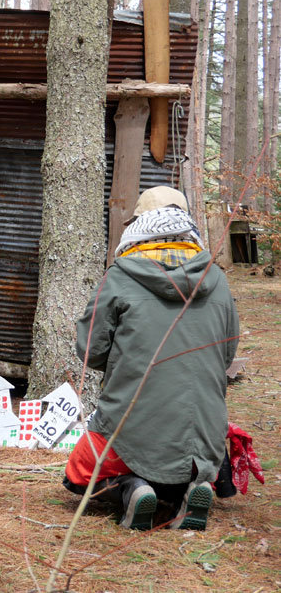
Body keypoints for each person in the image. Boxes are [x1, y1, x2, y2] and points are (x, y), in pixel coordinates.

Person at [63, 187, 239, 531]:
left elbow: (91, 352)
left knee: (78, 474)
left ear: (139, 225)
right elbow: (227, 354)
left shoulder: (119, 276)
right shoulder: (216, 279)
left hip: (128, 430)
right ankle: (192, 490)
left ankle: (132, 490)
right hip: (204, 437)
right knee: (183, 460)